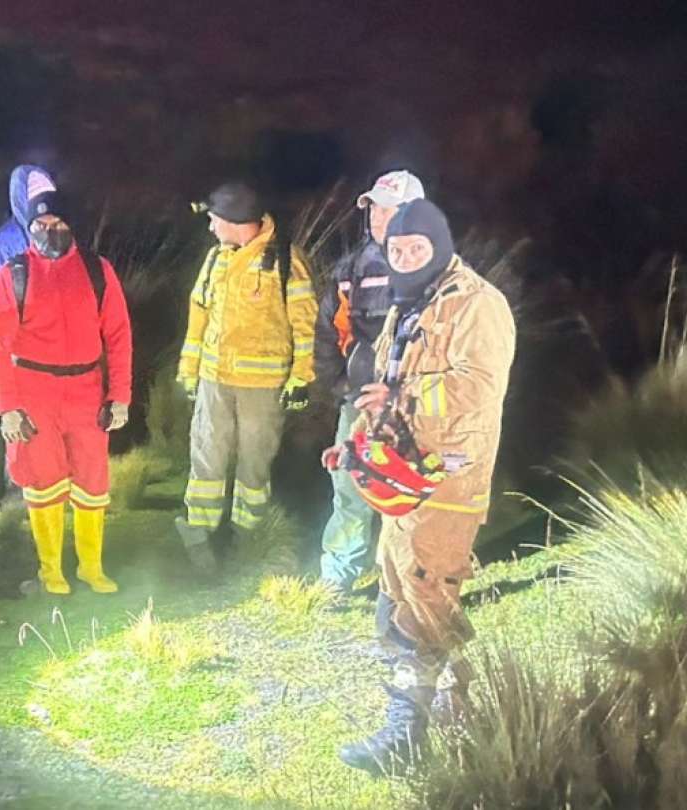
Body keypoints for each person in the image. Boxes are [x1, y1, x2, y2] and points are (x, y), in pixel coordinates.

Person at [333, 198, 515, 775]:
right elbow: (387, 381)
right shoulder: (409, 305)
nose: (407, 257)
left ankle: (410, 733)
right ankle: (453, 714)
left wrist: (403, 398)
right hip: (403, 478)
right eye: (398, 250)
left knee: (426, 596)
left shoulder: (478, 304)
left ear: (442, 245)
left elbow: (477, 388)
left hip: (448, 480)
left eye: (418, 248)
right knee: (398, 592)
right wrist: (357, 442)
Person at [0, 196, 132, 595]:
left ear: (72, 225)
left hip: (87, 391)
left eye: (58, 223)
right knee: (43, 481)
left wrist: (119, 395)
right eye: (41, 224)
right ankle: (51, 572)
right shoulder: (14, 275)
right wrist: (8, 407)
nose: (50, 231)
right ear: (28, 228)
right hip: (33, 392)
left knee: (92, 481)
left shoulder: (97, 271)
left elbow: (118, 334)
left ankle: (91, 568)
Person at [175, 181, 318, 571]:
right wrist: (189, 370)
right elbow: (198, 317)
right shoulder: (215, 259)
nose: (210, 228)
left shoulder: (287, 260)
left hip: (262, 386)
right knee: (206, 455)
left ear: (234, 220)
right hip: (213, 380)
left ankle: (247, 538)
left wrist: (300, 378)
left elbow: (304, 325)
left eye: (213, 220)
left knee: (254, 463)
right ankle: (199, 536)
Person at [313, 171, 425, 593]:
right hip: (359, 404)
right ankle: (338, 575)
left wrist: (412, 393)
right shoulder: (351, 268)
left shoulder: (435, 269)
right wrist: (341, 385)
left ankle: (411, 579)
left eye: (387, 207)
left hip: (415, 405)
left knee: (411, 490)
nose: (377, 215)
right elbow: (327, 330)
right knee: (350, 486)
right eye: (373, 207)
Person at [0, 164, 58, 307]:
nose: (43, 207)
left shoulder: (53, 239)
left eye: (48, 198)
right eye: (36, 200)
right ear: (23, 200)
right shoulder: (2, 245)